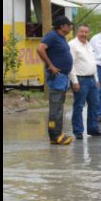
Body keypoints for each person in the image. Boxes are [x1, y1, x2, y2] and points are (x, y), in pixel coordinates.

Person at [36, 16, 74, 145]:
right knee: (55, 109)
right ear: (62, 26)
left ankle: (57, 133)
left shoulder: (61, 37)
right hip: (57, 77)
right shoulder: (52, 36)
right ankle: (54, 135)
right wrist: (50, 65)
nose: (70, 27)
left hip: (62, 77)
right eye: (69, 25)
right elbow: (40, 48)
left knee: (59, 107)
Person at [68, 24, 101, 139]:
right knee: (79, 106)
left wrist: (96, 79)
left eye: (86, 32)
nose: (84, 34)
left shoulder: (89, 45)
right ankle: (78, 131)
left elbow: (93, 62)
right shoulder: (72, 45)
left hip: (92, 79)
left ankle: (93, 129)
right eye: (81, 32)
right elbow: (70, 65)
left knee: (95, 104)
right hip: (80, 79)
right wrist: (74, 81)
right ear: (77, 32)